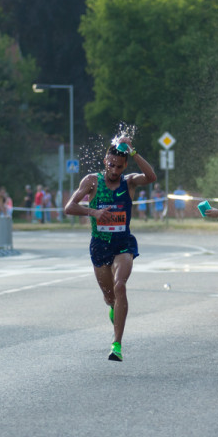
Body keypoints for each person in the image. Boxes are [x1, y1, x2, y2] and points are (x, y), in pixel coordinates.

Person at [64, 136, 157, 361]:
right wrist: (93, 212)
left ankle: (117, 345)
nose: (114, 170)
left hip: (123, 243)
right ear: (105, 160)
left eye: (119, 166)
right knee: (109, 298)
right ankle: (114, 309)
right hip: (99, 245)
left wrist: (133, 152)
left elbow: (151, 177)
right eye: (111, 164)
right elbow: (69, 207)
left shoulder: (129, 182)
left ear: (125, 165)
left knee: (120, 285)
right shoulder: (91, 181)